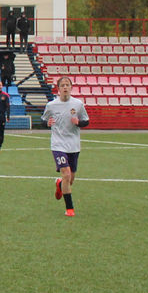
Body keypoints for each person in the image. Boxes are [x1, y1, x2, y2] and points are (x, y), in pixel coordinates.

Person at [43, 76, 89, 217]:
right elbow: (44, 120)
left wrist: (78, 123)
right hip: (58, 144)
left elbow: (86, 121)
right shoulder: (51, 105)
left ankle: (59, 184)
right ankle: (69, 209)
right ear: (58, 88)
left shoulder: (78, 104)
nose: (65, 87)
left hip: (74, 145)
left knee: (70, 179)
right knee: (66, 174)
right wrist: (47, 123)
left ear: (71, 87)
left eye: (67, 85)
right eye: (62, 85)